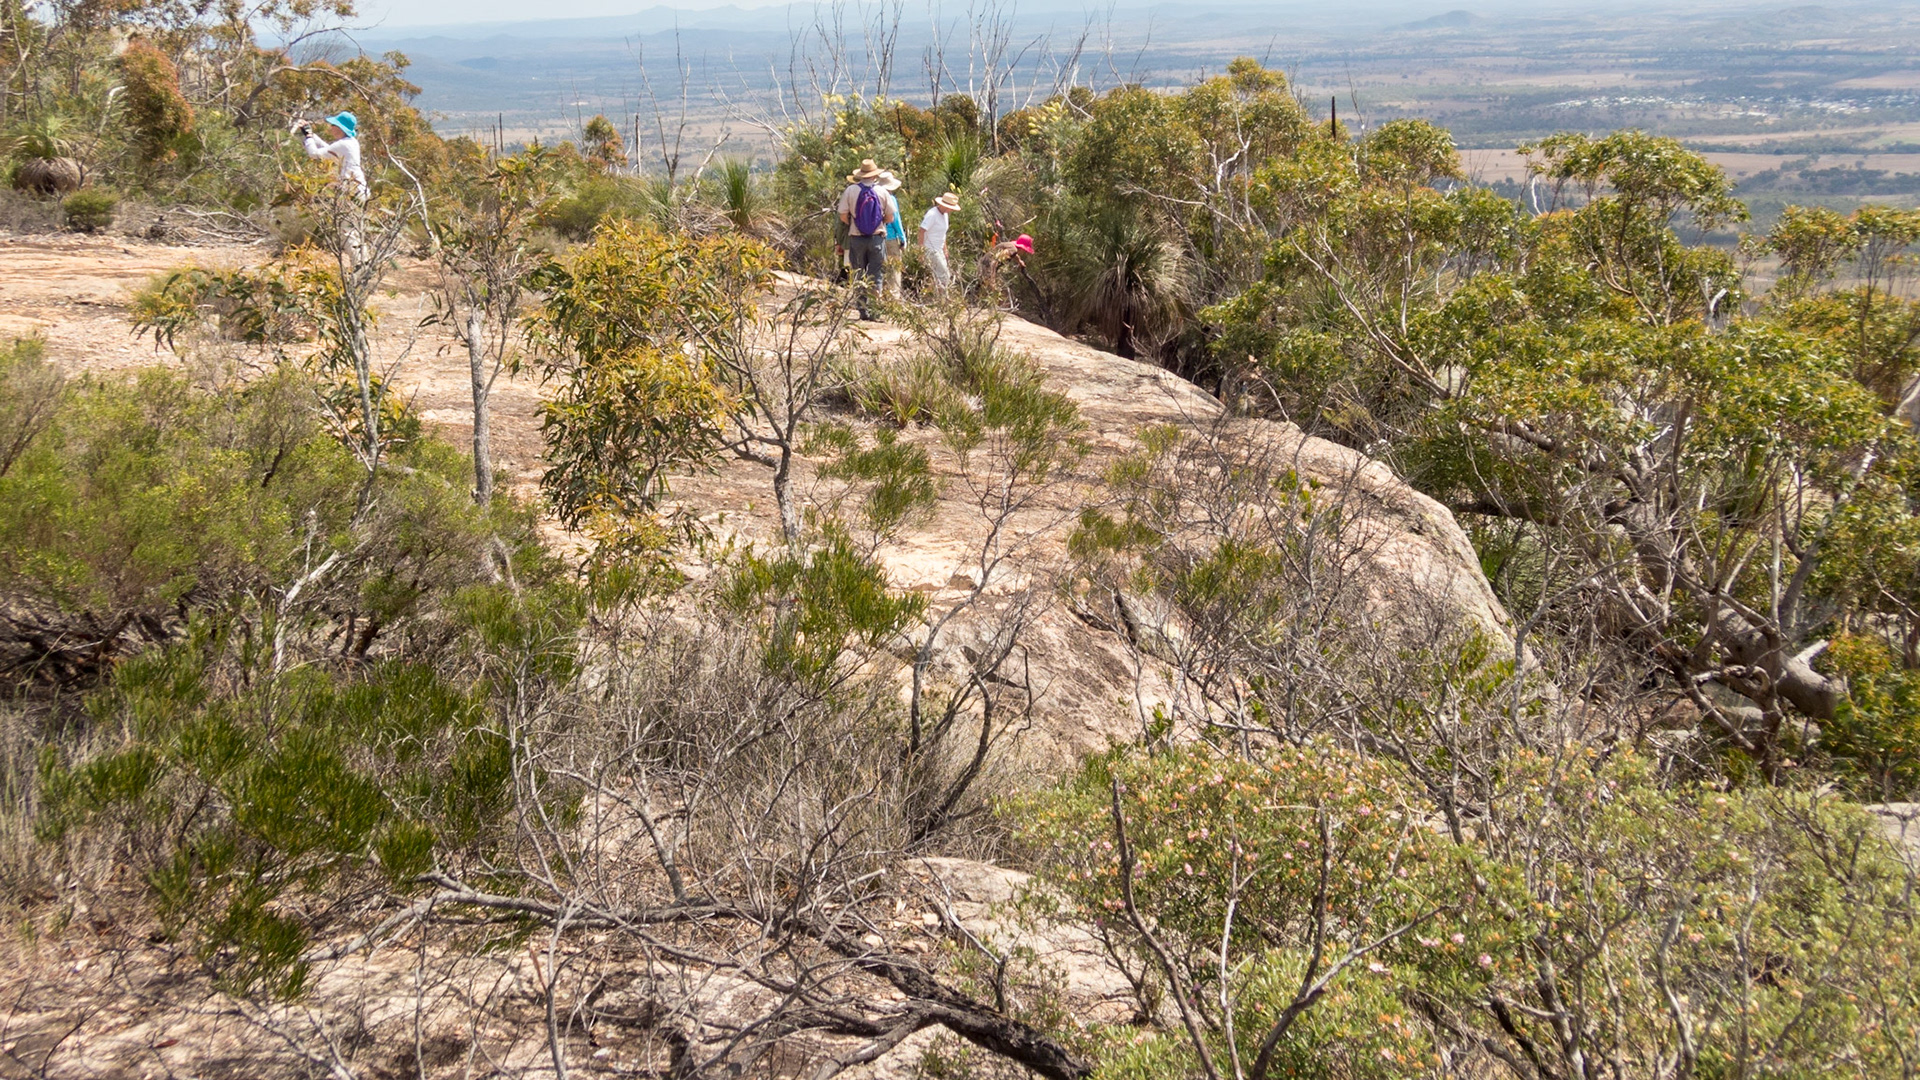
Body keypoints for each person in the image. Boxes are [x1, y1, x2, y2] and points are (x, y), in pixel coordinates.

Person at [836, 158, 895, 320]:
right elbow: (890, 218)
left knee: (858, 273)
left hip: (856, 238)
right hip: (877, 238)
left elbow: (842, 216)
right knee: (876, 274)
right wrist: (878, 222)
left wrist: (855, 223)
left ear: (861, 175)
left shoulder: (851, 190)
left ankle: (862, 310)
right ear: (875, 175)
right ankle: (875, 310)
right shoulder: (882, 192)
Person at [300, 112, 368, 200]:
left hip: (353, 193)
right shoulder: (351, 142)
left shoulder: (343, 144)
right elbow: (329, 149)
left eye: (333, 124)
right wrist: (311, 134)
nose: (331, 127)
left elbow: (314, 154)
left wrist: (308, 136)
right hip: (360, 191)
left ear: (340, 128)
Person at [918, 191, 960, 292]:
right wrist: (920, 251)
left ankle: (935, 297)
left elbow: (943, 233)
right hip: (931, 249)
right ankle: (942, 300)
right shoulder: (932, 214)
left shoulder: (945, 215)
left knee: (940, 276)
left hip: (939, 249)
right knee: (944, 275)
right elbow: (921, 231)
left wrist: (945, 249)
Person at [879, 171, 906, 298]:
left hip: (877, 236)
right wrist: (902, 237)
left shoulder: (876, 196)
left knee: (880, 267)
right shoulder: (891, 199)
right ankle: (893, 297)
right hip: (890, 237)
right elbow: (896, 219)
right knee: (894, 268)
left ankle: (880, 294)